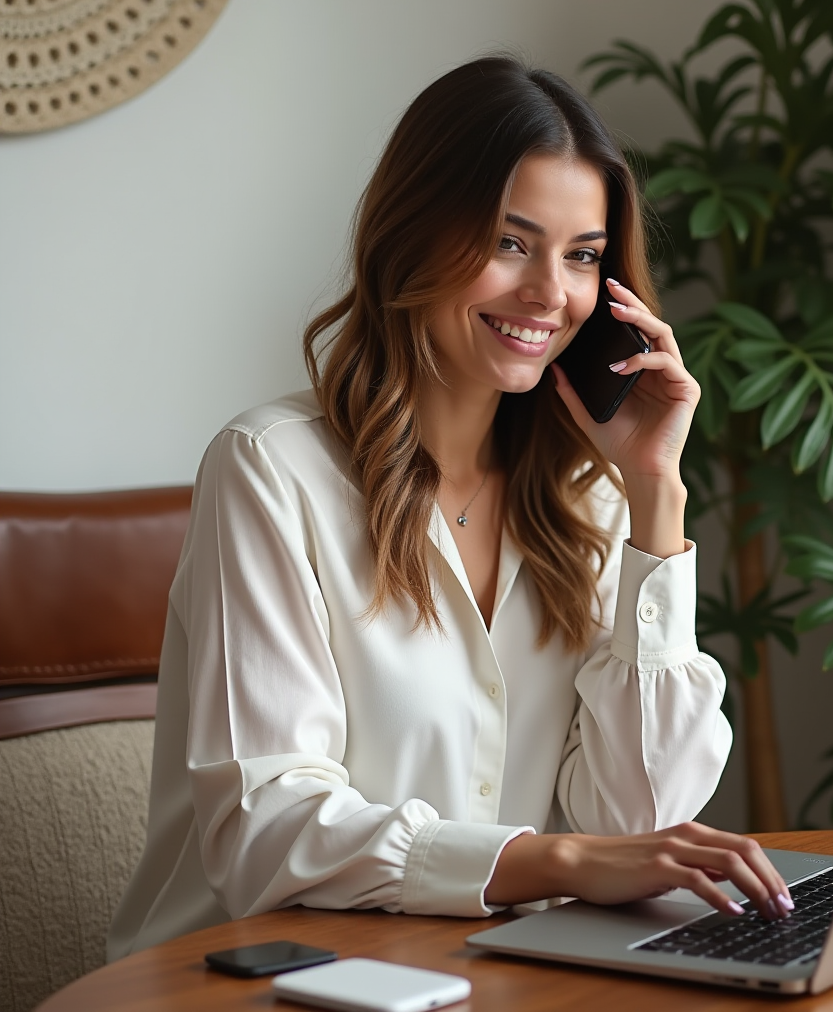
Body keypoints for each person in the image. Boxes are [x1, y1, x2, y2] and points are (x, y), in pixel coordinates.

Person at [107, 55, 793, 961]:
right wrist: (558, 861)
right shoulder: (270, 472)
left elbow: (642, 823)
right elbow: (268, 828)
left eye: (582, 256)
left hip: (483, 975)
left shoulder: (589, 496)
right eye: (512, 243)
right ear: (416, 233)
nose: (551, 293)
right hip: (254, 981)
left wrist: (655, 496)